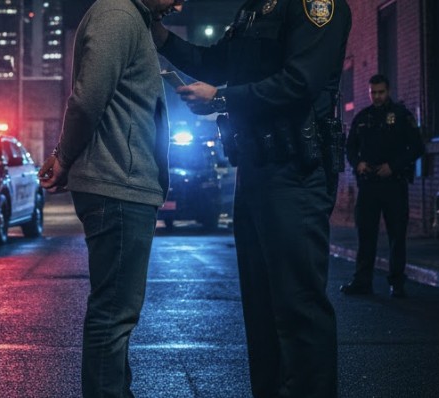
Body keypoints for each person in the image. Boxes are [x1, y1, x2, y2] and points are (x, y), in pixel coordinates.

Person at [152, 1, 351, 397]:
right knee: (261, 310)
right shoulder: (255, 9)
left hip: (295, 172)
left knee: (298, 308)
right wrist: (162, 39)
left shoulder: (316, 6)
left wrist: (222, 99)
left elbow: (300, 81)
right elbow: (216, 61)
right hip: (256, 169)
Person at [37, 0, 183, 396]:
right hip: (118, 183)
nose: (179, 4)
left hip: (122, 183)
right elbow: (87, 100)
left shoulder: (129, 16)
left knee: (117, 314)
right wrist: (63, 157)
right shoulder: (118, 15)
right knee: (113, 316)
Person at [341, 74, 425, 298]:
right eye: (373, 92)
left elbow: (417, 147)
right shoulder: (363, 118)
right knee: (365, 235)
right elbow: (349, 147)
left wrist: (394, 167)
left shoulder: (401, 116)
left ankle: (397, 284)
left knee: (396, 235)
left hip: (394, 185)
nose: (377, 97)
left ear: (388, 91)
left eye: (381, 92)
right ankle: (362, 282)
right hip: (369, 185)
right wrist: (357, 163)